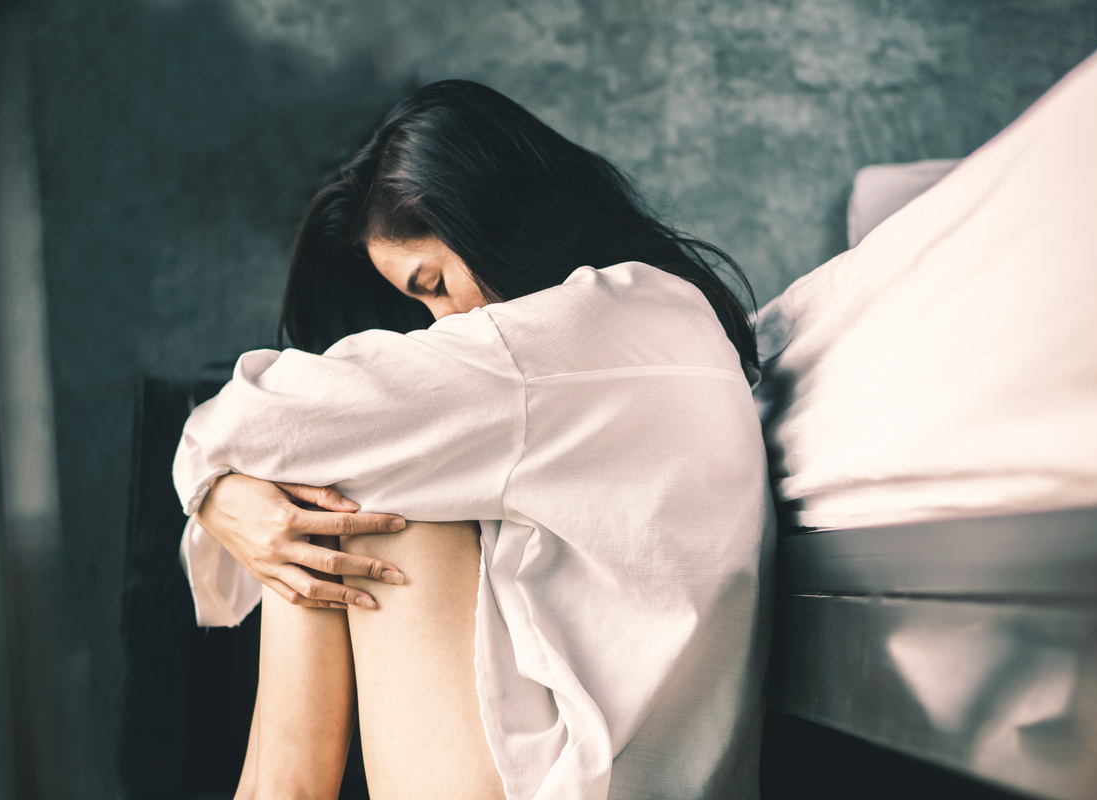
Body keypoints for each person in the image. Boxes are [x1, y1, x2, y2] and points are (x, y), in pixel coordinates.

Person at [173, 80, 775, 800]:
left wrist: (213, 489)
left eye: (433, 282)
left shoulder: (563, 343)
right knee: (352, 470)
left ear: (490, 215)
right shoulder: (659, 311)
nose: (443, 321)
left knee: (340, 484)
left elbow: (255, 419)